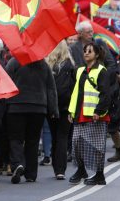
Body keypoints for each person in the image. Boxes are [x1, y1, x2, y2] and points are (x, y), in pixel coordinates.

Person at [4, 58, 58, 184]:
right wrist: (53, 109)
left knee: (15, 138)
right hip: (38, 107)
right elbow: (51, 88)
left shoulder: (14, 62)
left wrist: (3, 104)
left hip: (16, 105)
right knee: (32, 141)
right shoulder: (43, 64)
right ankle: (31, 173)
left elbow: (5, 81)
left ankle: (17, 163)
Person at [68, 42, 111, 186]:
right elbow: (76, 93)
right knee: (76, 143)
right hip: (80, 113)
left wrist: (98, 111)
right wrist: (72, 111)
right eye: (85, 50)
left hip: (96, 114)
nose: (86, 53)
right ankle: (81, 170)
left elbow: (106, 94)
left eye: (90, 51)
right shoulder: (80, 70)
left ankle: (100, 175)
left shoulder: (101, 71)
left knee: (97, 146)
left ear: (97, 54)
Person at [45, 40, 76, 180]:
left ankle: (55, 167)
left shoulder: (47, 66)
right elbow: (75, 87)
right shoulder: (70, 65)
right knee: (63, 136)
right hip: (67, 106)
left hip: (51, 106)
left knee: (54, 136)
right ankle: (60, 169)